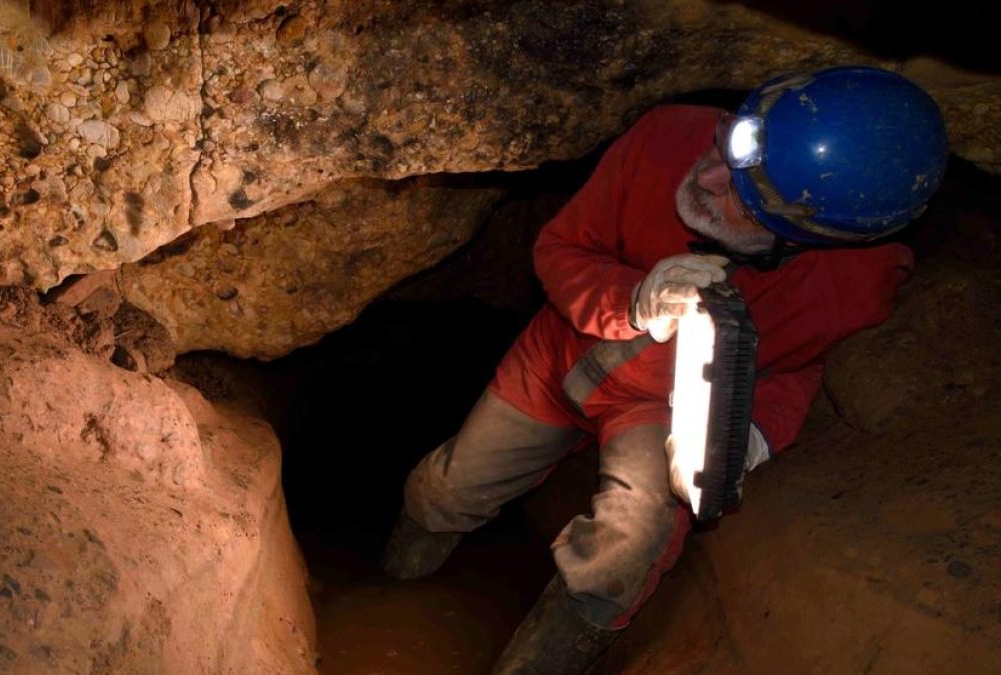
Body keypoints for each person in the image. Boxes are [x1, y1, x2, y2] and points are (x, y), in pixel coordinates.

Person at [381, 66, 948, 674]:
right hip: (560, 354)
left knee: (621, 560)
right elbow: (560, 248)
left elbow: (799, 366)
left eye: (747, 204)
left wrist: (749, 434)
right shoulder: (664, 140)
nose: (706, 179)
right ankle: (389, 598)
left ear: (807, 240)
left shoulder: (852, 286)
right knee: (445, 489)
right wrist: (631, 301)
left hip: (663, 407)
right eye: (728, 145)